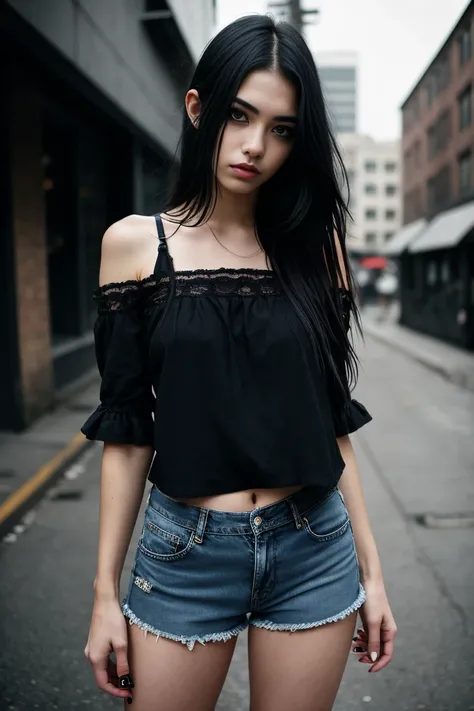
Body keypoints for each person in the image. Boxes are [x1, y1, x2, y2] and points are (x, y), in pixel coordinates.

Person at [81, 14, 397, 711]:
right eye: (239, 115)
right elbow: (129, 430)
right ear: (199, 109)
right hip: (185, 553)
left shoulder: (318, 251)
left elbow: (331, 422)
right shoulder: (135, 246)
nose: (256, 145)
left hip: (313, 544)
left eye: (282, 129)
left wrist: (373, 574)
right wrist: (105, 596)